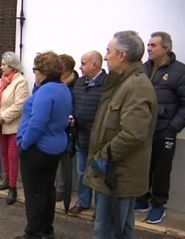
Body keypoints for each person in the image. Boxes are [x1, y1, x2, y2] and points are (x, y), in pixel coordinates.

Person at [83, 31, 157, 238]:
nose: (105, 57)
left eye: (109, 51)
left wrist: (102, 155)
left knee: (107, 231)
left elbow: (133, 134)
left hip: (117, 174)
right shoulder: (121, 83)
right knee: (121, 229)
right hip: (112, 173)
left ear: (122, 55)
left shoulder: (137, 86)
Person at [15, 51, 72, 239]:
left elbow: (37, 123)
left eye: (35, 70)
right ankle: (47, 229)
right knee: (47, 189)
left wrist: (24, 145)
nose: (35, 74)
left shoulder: (45, 92)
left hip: (38, 148)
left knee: (34, 194)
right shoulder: (63, 88)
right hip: (56, 146)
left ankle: (33, 233)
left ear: (44, 72)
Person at [135, 31, 185, 224]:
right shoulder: (143, 68)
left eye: (153, 45)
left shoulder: (179, 71)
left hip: (165, 128)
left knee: (161, 169)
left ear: (166, 48)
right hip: (143, 128)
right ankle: (142, 199)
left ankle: (158, 205)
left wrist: (173, 127)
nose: (149, 48)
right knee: (143, 165)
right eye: (148, 45)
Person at [0, 51, 29, 205]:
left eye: (4, 64)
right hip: (0, 125)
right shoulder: (1, 81)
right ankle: (7, 179)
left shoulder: (21, 82)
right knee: (4, 153)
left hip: (13, 126)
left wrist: (2, 116)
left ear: (12, 66)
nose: (1, 67)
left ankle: (13, 187)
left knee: (13, 156)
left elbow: (19, 105)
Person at [69, 50, 107, 215]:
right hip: (81, 136)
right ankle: (83, 202)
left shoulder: (107, 84)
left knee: (99, 173)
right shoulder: (79, 83)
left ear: (94, 64)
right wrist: (72, 116)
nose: (80, 67)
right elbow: (74, 102)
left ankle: (100, 209)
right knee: (82, 172)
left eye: (83, 63)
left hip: (99, 140)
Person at [54, 54, 79, 202]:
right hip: (55, 128)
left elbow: (74, 105)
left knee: (64, 162)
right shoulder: (56, 84)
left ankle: (61, 190)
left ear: (68, 71)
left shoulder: (74, 85)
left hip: (68, 129)